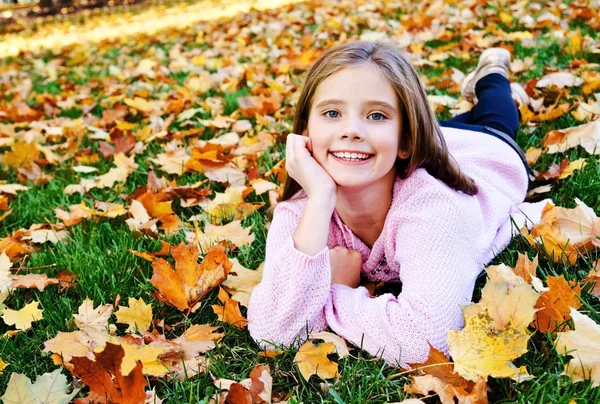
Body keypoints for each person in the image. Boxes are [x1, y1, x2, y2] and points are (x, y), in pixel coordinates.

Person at [246, 41, 550, 368]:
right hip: (419, 142)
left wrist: (330, 291)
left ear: (406, 141)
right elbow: (274, 333)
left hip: (487, 148)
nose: (351, 130)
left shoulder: (430, 207)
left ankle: (491, 73)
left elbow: (427, 340)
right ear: (306, 131)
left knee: (497, 110)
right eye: (332, 113)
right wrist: (320, 198)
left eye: (376, 114)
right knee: (447, 123)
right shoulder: (301, 211)